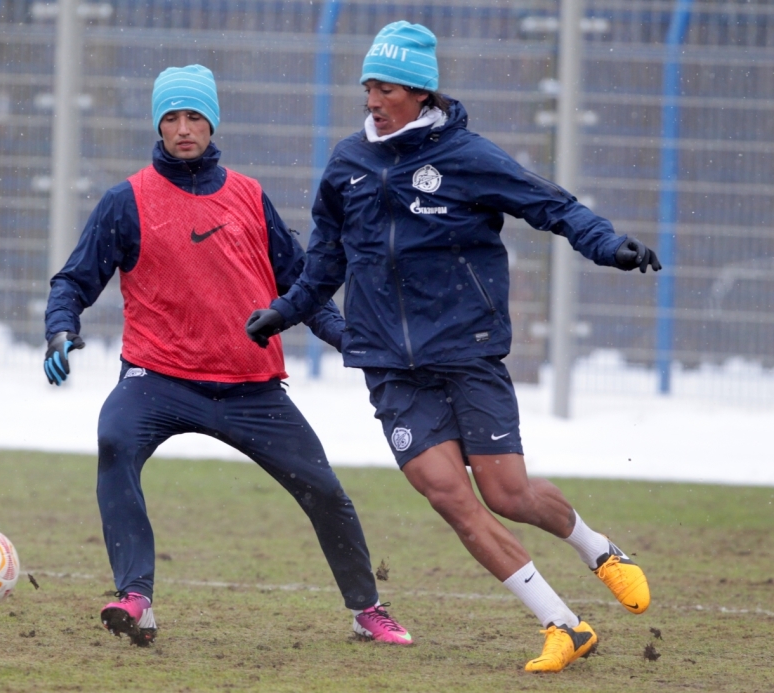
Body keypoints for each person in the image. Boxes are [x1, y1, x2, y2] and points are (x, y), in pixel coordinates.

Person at [246, 22, 658, 673]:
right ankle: (562, 624)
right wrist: (281, 313)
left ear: (420, 92)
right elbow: (323, 268)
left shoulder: (466, 156)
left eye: (386, 88)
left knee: (506, 491)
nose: (373, 100)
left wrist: (607, 244)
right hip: (388, 365)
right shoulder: (346, 167)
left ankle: (599, 550)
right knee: (447, 493)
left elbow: (552, 206)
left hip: (466, 352)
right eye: (367, 87)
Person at [43, 64, 412, 647]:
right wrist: (60, 330)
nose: (183, 129)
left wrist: (351, 340)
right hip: (157, 378)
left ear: (212, 124)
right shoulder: (127, 200)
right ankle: (136, 596)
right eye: (171, 118)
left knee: (323, 489)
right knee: (115, 440)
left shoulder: (247, 196)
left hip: (250, 387)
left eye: (194, 117)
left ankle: (367, 609)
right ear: (158, 127)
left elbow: (303, 287)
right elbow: (73, 281)